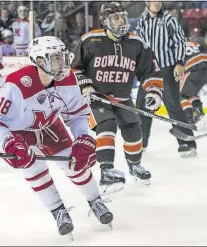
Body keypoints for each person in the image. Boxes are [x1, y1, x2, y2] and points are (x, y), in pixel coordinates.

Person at [0, 36, 113, 237]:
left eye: (62, 57)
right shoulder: (16, 85)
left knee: (75, 162)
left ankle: (95, 200)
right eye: (55, 58)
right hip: (19, 131)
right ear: (40, 62)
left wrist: (81, 137)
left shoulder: (68, 79)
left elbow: (77, 114)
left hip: (49, 126)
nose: (62, 62)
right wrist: (8, 144)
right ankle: (58, 210)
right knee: (34, 167)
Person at [70, 2, 164, 193]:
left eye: (123, 17)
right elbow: (74, 67)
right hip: (97, 98)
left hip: (123, 98)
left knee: (134, 131)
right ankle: (107, 171)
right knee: (107, 127)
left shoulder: (137, 43)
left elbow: (149, 71)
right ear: (105, 21)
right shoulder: (90, 40)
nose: (121, 21)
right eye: (116, 18)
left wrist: (153, 91)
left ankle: (134, 166)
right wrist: (85, 85)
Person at [135, 0, 197, 158]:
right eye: (153, 0)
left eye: (159, 0)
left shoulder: (169, 20)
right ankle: (141, 143)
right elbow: (138, 45)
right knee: (143, 105)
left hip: (167, 69)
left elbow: (180, 42)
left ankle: (186, 143)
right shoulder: (142, 22)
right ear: (147, 2)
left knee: (173, 105)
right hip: (149, 71)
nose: (156, 3)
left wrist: (179, 63)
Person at [180, 40, 207, 123]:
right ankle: (200, 113)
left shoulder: (174, 46)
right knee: (191, 93)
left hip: (193, 68)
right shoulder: (194, 42)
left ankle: (189, 118)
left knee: (181, 95)